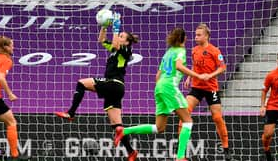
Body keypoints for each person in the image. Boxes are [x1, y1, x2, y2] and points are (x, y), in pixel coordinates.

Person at [55, 12, 140, 161]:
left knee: (81, 83)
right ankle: (131, 152)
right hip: (114, 89)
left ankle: (71, 113)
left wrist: (116, 28)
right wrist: (104, 26)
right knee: (117, 125)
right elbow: (101, 40)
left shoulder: (126, 51)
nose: (119, 36)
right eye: (119, 35)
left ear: (126, 42)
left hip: (114, 83)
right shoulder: (115, 50)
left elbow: (115, 44)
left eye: (121, 36)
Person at [114, 27, 208, 161]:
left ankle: (124, 131)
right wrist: (197, 75)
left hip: (159, 87)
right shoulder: (181, 51)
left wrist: (162, 89)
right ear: (184, 39)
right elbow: (179, 66)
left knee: (159, 127)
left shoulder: (168, 52)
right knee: (188, 121)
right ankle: (180, 157)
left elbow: (157, 76)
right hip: (169, 87)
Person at [183, 24, 234, 161]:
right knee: (184, 112)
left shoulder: (214, 51)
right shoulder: (194, 50)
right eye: (195, 34)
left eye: (198, 35)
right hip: (197, 87)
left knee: (217, 118)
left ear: (206, 36)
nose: (195, 37)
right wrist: (189, 77)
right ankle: (181, 151)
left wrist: (210, 75)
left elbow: (223, 68)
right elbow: (194, 65)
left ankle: (226, 148)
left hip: (211, 88)